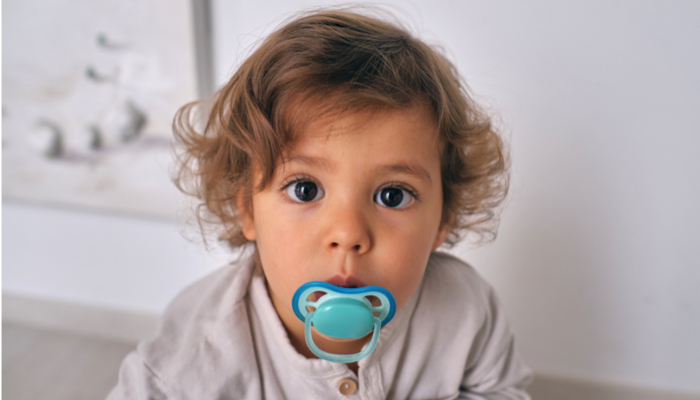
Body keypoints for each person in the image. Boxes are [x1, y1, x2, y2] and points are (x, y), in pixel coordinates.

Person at [107, 8, 532, 399]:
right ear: (248, 210)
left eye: (393, 195)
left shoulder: (467, 308)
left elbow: (501, 390)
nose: (348, 233)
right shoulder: (190, 364)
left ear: (444, 217)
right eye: (305, 189)